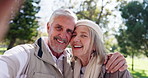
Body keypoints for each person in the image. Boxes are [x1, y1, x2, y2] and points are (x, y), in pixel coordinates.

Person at [0, 9, 127, 78]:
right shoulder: (25, 54)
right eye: (58, 28)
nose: (63, 35)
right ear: (48, 27)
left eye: (69, 31)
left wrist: (118, 59)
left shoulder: (73, 61)